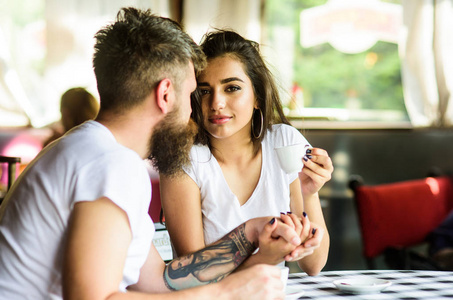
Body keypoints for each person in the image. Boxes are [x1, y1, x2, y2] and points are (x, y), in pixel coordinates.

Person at [0, 8, 305, 300]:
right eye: (193, 95)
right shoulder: (111, 165)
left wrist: (250, 232)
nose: (194, 113)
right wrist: (223, 294)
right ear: (165, 95)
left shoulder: (91, 149)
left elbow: (161, 280)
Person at [160, 30, 333, 276]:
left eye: (231, 88)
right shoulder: (182, 160)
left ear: (257, 98)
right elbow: (193, 275)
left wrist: (309, 193)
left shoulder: (283, 142)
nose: (216, 102)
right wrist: (265, 257)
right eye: (205, 90)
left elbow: (314, 264)